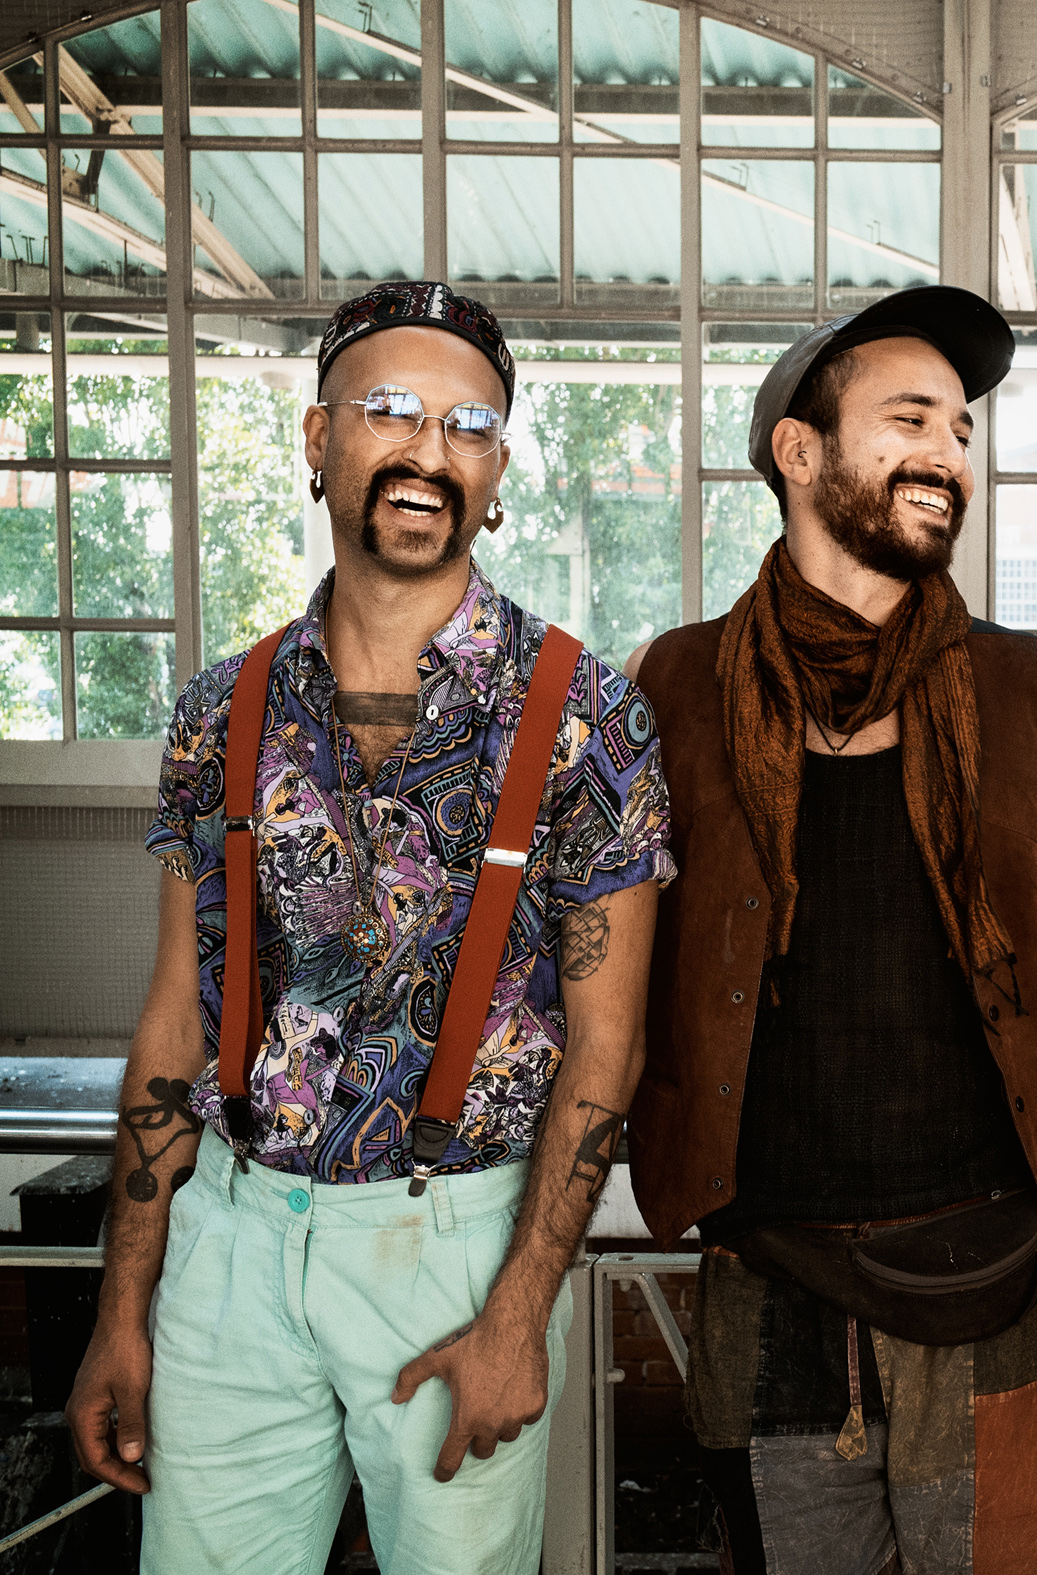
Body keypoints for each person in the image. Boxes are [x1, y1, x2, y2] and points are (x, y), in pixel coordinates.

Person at [64, 280, 673, 1574]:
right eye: (391, 409)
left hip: (456, 1243)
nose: (429, 449)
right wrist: (125, 1303)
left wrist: (520, 1309)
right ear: (318, 437)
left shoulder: (586, 719)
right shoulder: (219, 710)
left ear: (496, 475)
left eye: (469, 424)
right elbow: (175, 1012)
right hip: (232, 1240)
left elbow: (606, 1045)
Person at [624, 284, 1037, 1575]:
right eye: (909, 419)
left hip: (990, 1271)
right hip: (764, 1271)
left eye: (960, 429)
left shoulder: (1036, 688)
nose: (947, 452)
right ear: (798, 448)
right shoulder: (673, 684)